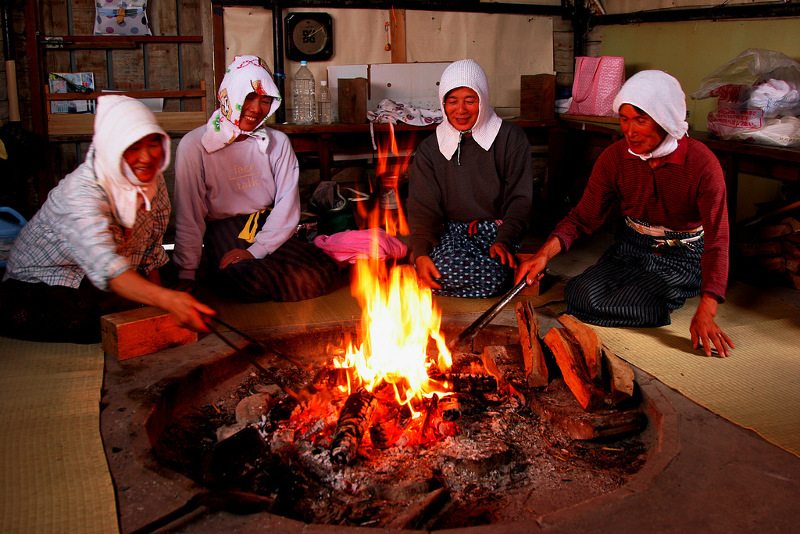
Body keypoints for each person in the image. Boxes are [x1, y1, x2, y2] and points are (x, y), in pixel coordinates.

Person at [516, 70, 734, 358]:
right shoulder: (616, 156)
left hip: (682, 253)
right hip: (631, 247)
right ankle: (645, 291)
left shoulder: (702, 163)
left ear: (665, 119)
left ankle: (669, 290)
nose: (629, 131)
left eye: (640, 120)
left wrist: (708, 307)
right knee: (578, 293)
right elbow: (584, 216)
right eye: (624, 119)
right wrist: (543, 254)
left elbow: (718, 239)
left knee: (622, 300)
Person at [0, 95, 214, 343]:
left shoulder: (149, 179)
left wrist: (158, 301)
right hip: (43, 280)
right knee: (91, 319)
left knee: (161, 295)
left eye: (153, 144)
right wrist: (164, 299)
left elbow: (152, 245)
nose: (146, 158)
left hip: (103, 275)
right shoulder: (81, 192)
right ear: (111, 147)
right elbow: (107, 267)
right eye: (132, 147)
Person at [173, 55, 339, 301]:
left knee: (323, 270)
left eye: (265, 101)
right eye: (247, 98)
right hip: (223, 229)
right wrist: (187, 271)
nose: (255, 109)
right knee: (246, 281)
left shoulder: (277, 142)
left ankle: (270, 277)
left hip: (269, 225)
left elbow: (287, 204)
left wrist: (258, 250)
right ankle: (251, 278)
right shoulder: (195, 144)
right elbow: (189, 212)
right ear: (228, 96)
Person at [408, 59, 532, 298]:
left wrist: (505, 239)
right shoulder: (430, 149)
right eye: (452, 101)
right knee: (437, 268)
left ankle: (487, 276)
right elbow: (423, 209)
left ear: (483, 100)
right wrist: (421, 254)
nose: (461, 110)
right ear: (443, 103)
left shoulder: (510, 138)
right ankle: (422, 271)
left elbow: (520, 199)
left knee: (494, 277)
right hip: (451, 234)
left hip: (497, 232)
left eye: (470, 100)